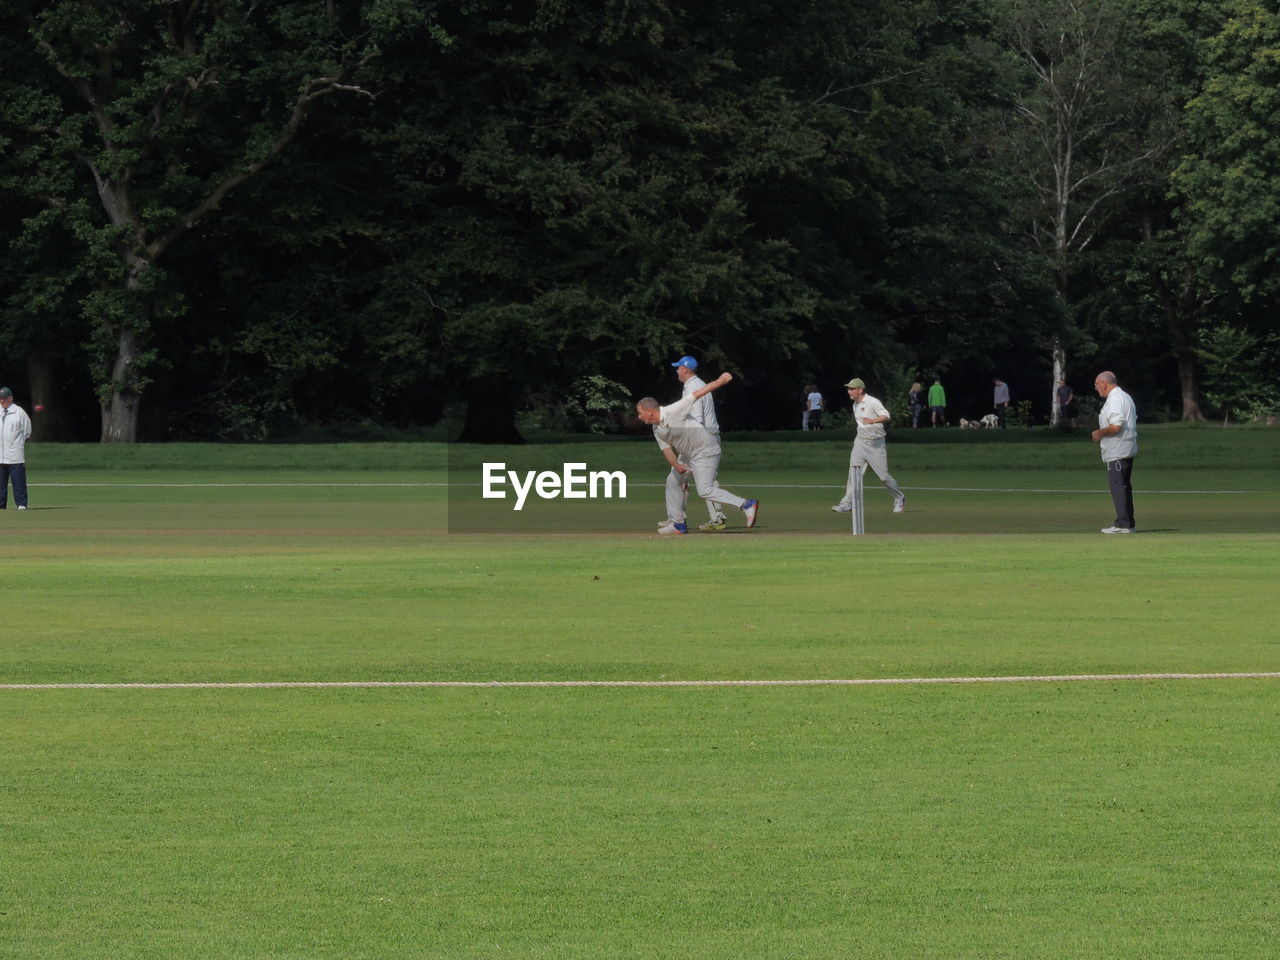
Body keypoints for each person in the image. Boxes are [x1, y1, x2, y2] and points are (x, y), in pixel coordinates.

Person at [636, 373, 759, 534]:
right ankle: (677, 523)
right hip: (688, 456)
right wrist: (676, 465)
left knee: (705, 490)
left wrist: (720, 381)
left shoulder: (673, 410)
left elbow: (698, 393)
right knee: (673, 480)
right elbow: (666, 450)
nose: (639, 417)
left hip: (706, 451)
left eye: (640, 413)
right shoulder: (656, 428)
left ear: (650, 411)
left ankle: (746, 504)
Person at [831, 378, 907, 515]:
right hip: (860, 442)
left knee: (883, 477)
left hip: (876, 444)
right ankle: (847, 504)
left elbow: (886, 416)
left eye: (852, 389)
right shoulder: (855, 405)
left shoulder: (873, 402)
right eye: (848, 389)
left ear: (860, 390)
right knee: (853, 473)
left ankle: (899, 498)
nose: (849, 391)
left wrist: (872, 420)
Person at [671, 356, 727, 531]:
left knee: (679, 477)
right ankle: (678, 517)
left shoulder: (692, 387)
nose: (676, 370)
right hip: (708, 436)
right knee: (688, 478)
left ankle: (677, 519)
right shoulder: (698, 384)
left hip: (700, 438)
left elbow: (696, 418)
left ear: (686, 370)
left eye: (678, 367)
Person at [1091, 371, 1138, 534]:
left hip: (1118, 450)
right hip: (1125, 448)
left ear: (1104, 383)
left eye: (1097, 384)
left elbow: (1116, 426)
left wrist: (1099, 433)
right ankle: (1128, 523)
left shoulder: (1116, 399)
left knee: (1118, 486)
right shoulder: (1124, 396)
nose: (1096, 388)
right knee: (1123, 487)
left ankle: (1122, 524)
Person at [0, 387, 33, 510]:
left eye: (4, 398)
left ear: (11, 398)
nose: (2, 401)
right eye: (0, 399)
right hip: (0, 455)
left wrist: (17, 443)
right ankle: (1, 505)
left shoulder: (19, 412)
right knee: (0, 484)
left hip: (15, 455)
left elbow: (27, 431)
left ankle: (21, 504)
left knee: (18, 482)